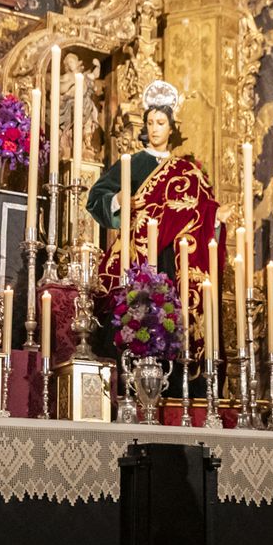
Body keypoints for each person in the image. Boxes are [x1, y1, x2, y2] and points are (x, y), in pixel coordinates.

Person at [86, 80, 218, 352]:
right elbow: (96, 197)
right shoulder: (134, 162)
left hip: (174, 252)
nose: (154, 128)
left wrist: (216, 215)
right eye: (150, 123)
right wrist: (120, 199)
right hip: (138, 250)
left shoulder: (186, 168)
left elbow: (199, 208)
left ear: (171, 127)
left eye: (160, 122)